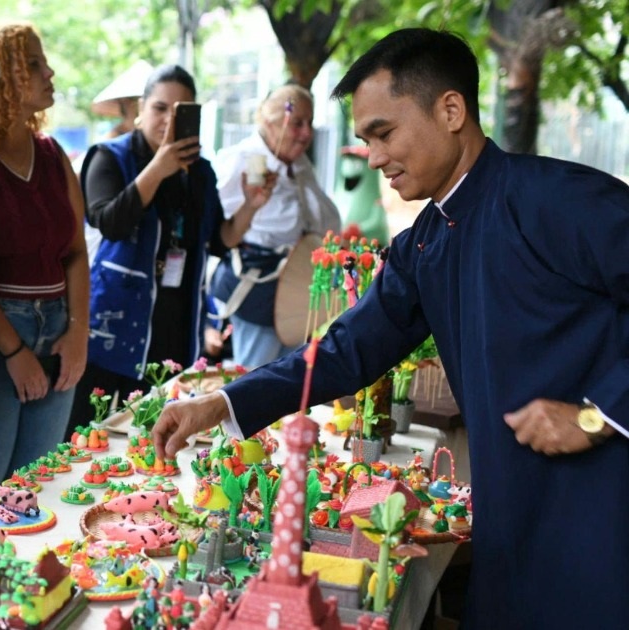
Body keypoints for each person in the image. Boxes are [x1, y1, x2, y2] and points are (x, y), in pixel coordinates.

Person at [152, 28, 629, 629]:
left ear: (451, 110)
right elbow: (347, 351)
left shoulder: (558, 199)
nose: (373, 157)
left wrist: (594, 415)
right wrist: (222, 402)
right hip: (507, 513)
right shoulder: (423, 243)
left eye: (384, 133)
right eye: (364, 139)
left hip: (600, 509)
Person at [0, 23, 89, 503]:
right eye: (32, 62)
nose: (48, 71)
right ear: (2, 76)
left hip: (56, 330)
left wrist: (78, 332)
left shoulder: (54, 156)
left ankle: (31, 580)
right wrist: (12, 351)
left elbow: (75, 250)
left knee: (39, 488)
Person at [65, 64, 231, 434]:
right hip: (114, 325)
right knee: (85, 435)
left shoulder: (200, 171)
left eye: (182, 110)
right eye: (160, 108)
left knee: (150, 439)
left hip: (175, 323)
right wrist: (159, 167)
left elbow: (219, 239)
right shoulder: (108, 157)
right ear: (141, 108)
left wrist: (253, 203)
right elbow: (109, 221)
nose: (169, 120)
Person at [206, 85, 341, 367]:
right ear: (269, 122)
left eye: (310, 123)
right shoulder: (240, 160)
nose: (307, 133)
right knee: (255, 379)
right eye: (297, 123)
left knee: (286, 379)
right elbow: (216, 232)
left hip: (297, 287)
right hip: (259, 288)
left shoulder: (299, 163)